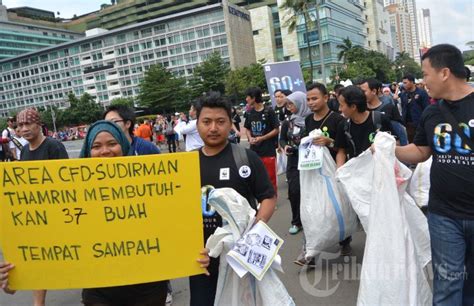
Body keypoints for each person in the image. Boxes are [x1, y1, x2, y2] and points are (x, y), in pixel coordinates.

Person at [394, 44, 474, 306]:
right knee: (448, 285)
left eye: (425, 74)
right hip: (444, 215)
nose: (422, 81)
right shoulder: (432, 112)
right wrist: (389, 150)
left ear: (444, 73)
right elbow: (420, 151)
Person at [190, 93, 277, 306]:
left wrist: (254, 230)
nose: (213, 128)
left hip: (239, 256)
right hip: (202, 259)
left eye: (220, 122)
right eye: (206, 122)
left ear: (231, 123)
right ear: (197, 124)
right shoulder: (186, 164)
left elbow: (268, 197)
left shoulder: (246, 158)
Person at [16, 108, 68, 306]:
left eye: (28, 123)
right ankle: (39, 303)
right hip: (37, 217)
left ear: (39, 125)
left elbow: (66, 179)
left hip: (57, 215)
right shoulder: (24, 151)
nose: (24, 128)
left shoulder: (54, 146)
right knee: (38, 260)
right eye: (20, 125)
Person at [335, 85, 395, 168]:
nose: (339, 109)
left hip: (380, 172)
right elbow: (342, 151)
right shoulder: (343, 125)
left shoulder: (380, 119)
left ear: (353, 107)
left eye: (341, 105)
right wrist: (339, 171)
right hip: (356, 174)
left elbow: (395, 143)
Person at [279, 92, 312, 235]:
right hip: (293, 161)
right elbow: (282, 139)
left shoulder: (312, 120)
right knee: (294, 191)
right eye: (288, 104)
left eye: (291, 104)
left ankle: (312, 219)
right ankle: (296, 221)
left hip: (310, 161)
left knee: (311, 192)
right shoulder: (288, 121)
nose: (289, 107)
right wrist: (285, 146)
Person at [244, 87, 280, 194]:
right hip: (254, 151)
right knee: (256, 176)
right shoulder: (250, 113)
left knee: (270, 177)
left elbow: (276, 129)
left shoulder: (269, 111)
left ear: (253, 98)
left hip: (268, 150)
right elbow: (247, 128)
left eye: (247, 97)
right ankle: (261, 198)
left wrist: (262, 138)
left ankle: (272, 199)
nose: (246, 99)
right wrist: (250, 138)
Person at [360, 78, 407, 145]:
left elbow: (400, 132)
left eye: (363, 91)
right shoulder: (361, 110)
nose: (360, 94)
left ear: (374, 91)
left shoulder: (389, 108)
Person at [399, 73, 430, 143]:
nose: (404, 84)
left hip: (420, 123)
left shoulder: (422, 93)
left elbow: (427, 108)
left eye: (405, 83)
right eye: (403, 83)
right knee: (411, 142)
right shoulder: (403, 94)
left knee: (422, 143)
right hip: (408, 124)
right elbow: (403, 107)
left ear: (412, 82)